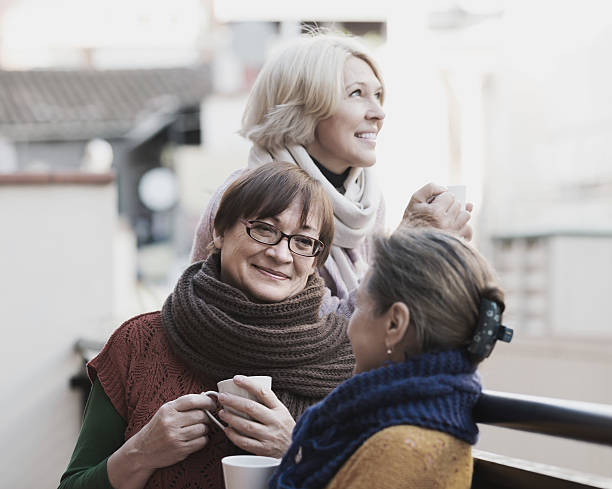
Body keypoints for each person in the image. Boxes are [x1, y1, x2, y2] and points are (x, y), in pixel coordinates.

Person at [58, 162, 355, 489]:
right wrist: (141, 452)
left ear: (316, 259)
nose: (281, 254)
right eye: (265, 229)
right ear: (219, 231)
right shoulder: (139, 343)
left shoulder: (349, 361)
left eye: (303, 241)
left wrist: (295, 451)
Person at [190, 31, 473, 317]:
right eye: (356, 93)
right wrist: (407, 250)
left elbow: (382, 323)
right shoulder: (249, 193)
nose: (378, 113)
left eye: (377, 95)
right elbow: (323, 334)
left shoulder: (367, 202)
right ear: (303, 107)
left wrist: (437, 257)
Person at [269, 226, 513, 489]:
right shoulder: (428, 416)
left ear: (395, 324)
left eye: (359, 306)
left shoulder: (398, 450)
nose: (349, 325)